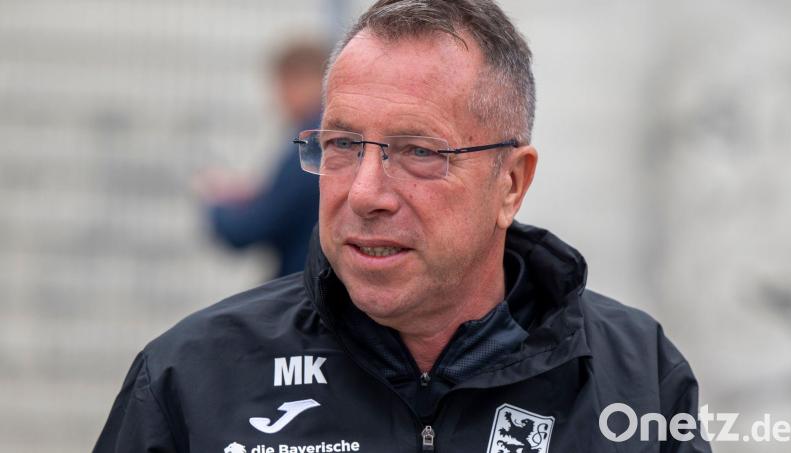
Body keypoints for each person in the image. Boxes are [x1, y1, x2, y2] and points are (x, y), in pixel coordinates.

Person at [95, 1, 711, 452]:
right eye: (341, 145)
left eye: (419, 151)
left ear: (512, 184)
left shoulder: (636, 379)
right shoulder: (192, 380)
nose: (365, 193)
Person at [198, 41, 327, 277]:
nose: (276, 100)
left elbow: (250, 229)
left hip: (304, 285)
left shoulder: (313, 141)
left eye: (279, 87)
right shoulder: (335, 135)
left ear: (297, 81)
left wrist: (216, 202)